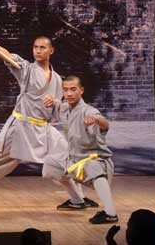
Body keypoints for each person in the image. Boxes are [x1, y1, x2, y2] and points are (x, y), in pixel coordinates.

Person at [0, 37, 91, 209]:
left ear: (51, 51)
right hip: (21, 127)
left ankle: (78, 200)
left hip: (43, 129)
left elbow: (59, 109)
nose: (38, 51)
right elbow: (9, 58)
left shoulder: (57, 79)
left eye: (42, 47)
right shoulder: (26, 70)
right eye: (35, 47)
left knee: (64, 159)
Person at [42, 76, 118, 224]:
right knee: (50, 166)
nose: (69, 93)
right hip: (73, 159)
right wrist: (51, 100)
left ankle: (110, 213)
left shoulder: (89, 111)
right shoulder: (64, 107)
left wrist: (96, 120)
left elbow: (105, 124)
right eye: (65, 90)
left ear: (81, 90)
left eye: (73, 89)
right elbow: (58, 105)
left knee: (93, 166)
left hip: (96, 161)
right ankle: (77, 201)